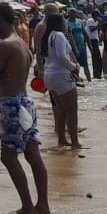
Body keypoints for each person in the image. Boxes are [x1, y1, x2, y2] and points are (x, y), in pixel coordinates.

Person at [0, 3, 49, 214]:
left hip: (11, 104)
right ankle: (43, 204)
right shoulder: (21, 43)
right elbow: (10, 70)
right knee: (32, 154)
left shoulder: (3, 45)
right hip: (25, 102)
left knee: (8, 157)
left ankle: (28, 207)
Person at [42, 13, 81, 149]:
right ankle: (75, 142)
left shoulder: (47, 36)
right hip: (61, 76)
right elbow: (61, 57)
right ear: (58, 24)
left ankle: (62, 139)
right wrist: (74, 67)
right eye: (63, 22)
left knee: (61, 110)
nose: (65, 25)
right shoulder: (58, 35)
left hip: (50, 76)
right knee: (72, 110)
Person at [66, 9, 92, 82]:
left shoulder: (79, 22)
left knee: (85, 65)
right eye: (72, 13)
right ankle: (76, 81)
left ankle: (90, 81)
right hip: (71, 49)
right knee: (74, 66)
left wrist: (90, 46)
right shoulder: (66, 23)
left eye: (75, 12)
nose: (74, 14)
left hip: (82, 47)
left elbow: (85, 34)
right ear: (69, 14)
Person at [85, 10, 103, 79]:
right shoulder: (91, 20)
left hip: (94, 40)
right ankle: (96, 74)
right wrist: (98, 24)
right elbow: (92, 29)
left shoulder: (93, 21)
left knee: (96, 58)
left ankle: (97, 74)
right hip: (92, 40)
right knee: (97, 58)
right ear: (95, 15)